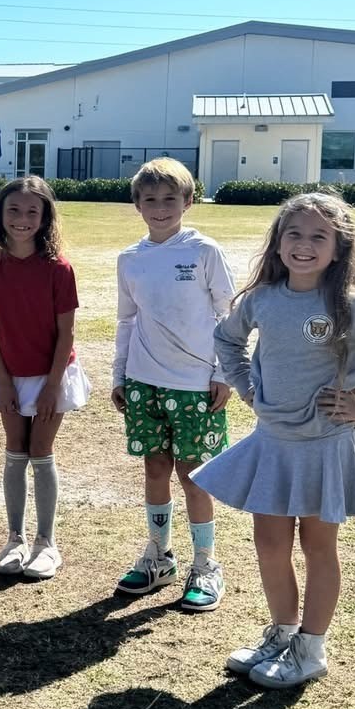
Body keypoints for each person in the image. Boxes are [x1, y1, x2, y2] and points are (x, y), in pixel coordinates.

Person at [192, 191, 355, 688]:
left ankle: (311, 648)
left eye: (319, 236)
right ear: (278, 243)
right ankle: (282, 633)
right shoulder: (261, 299)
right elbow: (227, 339)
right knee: (269, 543)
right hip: (273, 443)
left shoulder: (354, 306)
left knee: (317, 546)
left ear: (339, 248)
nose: (304, 245)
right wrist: (247, 388)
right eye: (294, 234)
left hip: (326, 445)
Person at [110, 158, 235, 611]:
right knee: (155, 468)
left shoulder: (204, 251)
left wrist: (223, 374)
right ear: (137, 205)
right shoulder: (130, 259)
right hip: (144, 382)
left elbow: (229, 314)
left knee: (194, 476)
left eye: (170, 199)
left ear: (188, 201)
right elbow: (127, 320)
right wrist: (120, 374)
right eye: (150, 200)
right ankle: (159, 557)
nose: (160, 208)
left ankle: (206, 563)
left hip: (195, 385)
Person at [0, 176, 90, 579]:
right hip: (10, 374)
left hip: (51, 375)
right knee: (15, 451)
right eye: (13, 210)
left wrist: (52, 387)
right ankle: (14, 539)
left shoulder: (59, 269)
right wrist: (4, 381)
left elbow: (66, 333)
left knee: (41, 450)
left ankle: (46, 543)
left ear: (44, 218)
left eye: (31, 211)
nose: (22, 219)